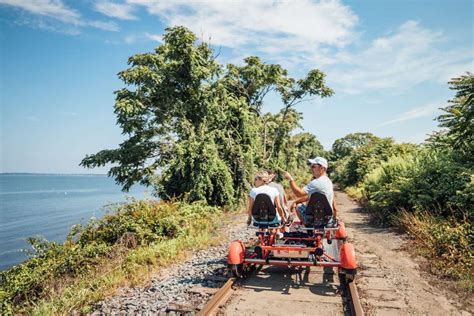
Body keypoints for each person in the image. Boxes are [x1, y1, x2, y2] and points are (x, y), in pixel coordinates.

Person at [283, 157, 338, 225]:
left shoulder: (316, 182)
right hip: (327, 220)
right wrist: (335, 217)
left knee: (299, 206)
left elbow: (298, 193)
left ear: (322, 168)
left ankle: (308, 228)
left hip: (313, 220)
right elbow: (312, 197)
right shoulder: (329, 182)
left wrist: (290, 179)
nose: (311, 168)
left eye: (313, 166)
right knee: (299, 203)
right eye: (311, 166)